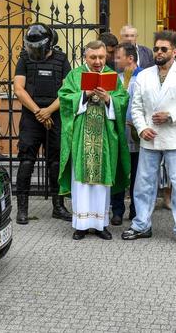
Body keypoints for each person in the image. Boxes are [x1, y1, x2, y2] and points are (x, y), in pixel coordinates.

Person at [122, 30, 176, 247]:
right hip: (149, 137)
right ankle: (141, 225)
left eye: (163, 49)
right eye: (156, 48)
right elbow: (136, 107)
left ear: (174, 51)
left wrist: (172, 116)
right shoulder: (144, 76)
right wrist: (141, 128)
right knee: (144, 184)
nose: (158, 52)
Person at [58, 40, 130, 240]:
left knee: (101, 182)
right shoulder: (74, 75)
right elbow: (64, 98)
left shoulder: (111, 77)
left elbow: (123, 100)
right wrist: (84, 95)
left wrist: (109, 100)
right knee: (81, 182)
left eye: (101, 57)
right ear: (85, 57)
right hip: (82, 137)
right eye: (93, 57)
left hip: (104, 138)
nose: (98, 61)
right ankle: (81, 225)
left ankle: (100, 225)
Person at [13, 23, 72, 224]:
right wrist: (39, 112)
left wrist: (48, 111)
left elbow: (67, 90)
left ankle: (58, 206)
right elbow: (19, 89)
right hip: (32, 116)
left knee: (55, 162)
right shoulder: (24, 59)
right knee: (26, 161)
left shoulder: (62, 59)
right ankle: (22, 209)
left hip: (54, 115)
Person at [110, 42, 142, 225]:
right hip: (118, 135)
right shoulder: (114, 78)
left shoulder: (145, 77)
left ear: (130, 58)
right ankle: (117, 210)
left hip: (138, 137)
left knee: (139, 174)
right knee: (119, 173)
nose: (115, 60)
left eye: (118, 57)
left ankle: (137, 210)